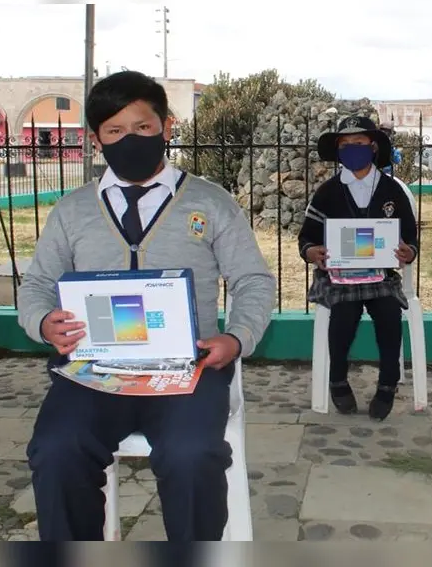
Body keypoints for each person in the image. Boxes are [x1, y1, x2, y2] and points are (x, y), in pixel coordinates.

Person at [16, 70, 276, 541]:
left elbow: (254, 280)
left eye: (142, 127)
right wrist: (42, 321)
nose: (129, 139)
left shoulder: (211, 203)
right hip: (94, 370)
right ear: (97, 139)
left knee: (192, 454)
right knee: (56, 450)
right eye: (114, 131)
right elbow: (36, 285)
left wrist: (235, 338)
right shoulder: (72, 210)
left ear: (166, 128)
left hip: (188, 370)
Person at [298, 116, 418, 421]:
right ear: (338, 150)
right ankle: (337, 379)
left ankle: (388, 384)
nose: (353, 149)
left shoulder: (393, 191)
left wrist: (408, 251)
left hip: (382, 276)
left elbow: (411, 238)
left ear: (373, 147)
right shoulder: (327, 192)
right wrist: (312, 251)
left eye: (359, 143)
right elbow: (307, 237)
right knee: (343, 315)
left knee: (390, 315)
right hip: (337, 277)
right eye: (345, 144)